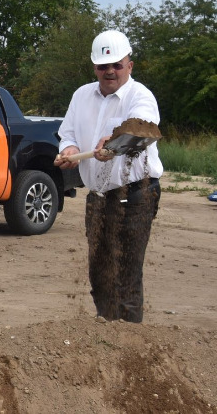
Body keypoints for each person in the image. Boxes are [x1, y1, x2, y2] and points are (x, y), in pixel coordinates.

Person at [55, 29, 163, 323]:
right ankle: (106, 332)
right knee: (100, 272)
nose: (110, 71)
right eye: (104, 66)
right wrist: (70, 148)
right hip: (99, 196)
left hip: (136, 193)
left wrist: (113, 142)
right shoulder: (81, 95)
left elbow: (143, 130)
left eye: (117, 64)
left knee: (126, 273)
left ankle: (129, 346)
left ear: (130, 64)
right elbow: (67, 133)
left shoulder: (140, 96)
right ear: (95, 67)